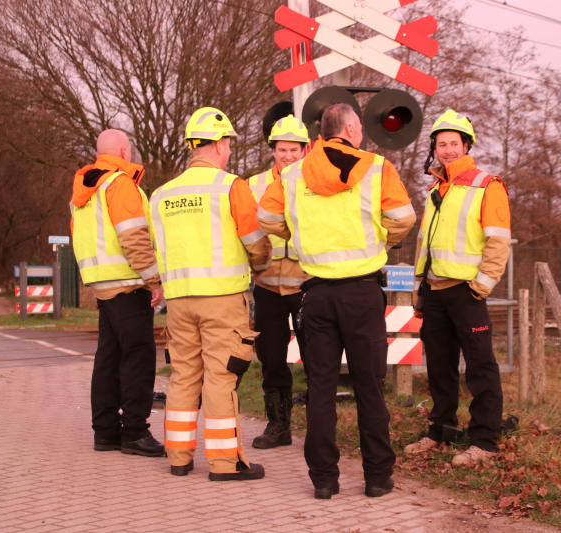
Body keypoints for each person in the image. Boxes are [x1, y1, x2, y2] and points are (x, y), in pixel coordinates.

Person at [257, 104, 416, 499]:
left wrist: (299, 236)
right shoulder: (377, 168)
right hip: (362, 292)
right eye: (360, 126)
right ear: (349, 128)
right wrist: (378, 241)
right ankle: (378, 478)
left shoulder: (293, 175)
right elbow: (404, 218)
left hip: (316, 293)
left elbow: (266, 217)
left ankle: (324, 480)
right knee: (369, 387)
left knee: (321, 388)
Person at [149, 107, 271, 480]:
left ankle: (179, 458)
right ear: (218, 144)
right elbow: (256, 243)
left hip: (179, 302)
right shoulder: (231, 187)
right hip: (222, 299)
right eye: (229, 144)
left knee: (184, 376)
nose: (230, 152)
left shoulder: (160, 196)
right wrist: (262, 262)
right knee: (221, 377)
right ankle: (224, 463)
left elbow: (156, 249)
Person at [407, 110, 511, 467]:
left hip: (467, 292)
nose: (447, 150)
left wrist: (481, 285)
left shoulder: (487, 185)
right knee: (439, 366)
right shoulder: (435, 189)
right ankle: (441, 430)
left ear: (467, 145)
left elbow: (499, 241)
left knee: (481, 367)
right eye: (441, 144)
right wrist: (420, 289)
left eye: (454, 143)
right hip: (435, 292)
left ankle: (484, 441)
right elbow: (425, 243)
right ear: (434, 149)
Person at [70, 129, 165, 457]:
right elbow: (134, 238)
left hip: (101, 283)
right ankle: (135, 432)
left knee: (108, 359)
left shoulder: (85, 188)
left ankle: (106, 432)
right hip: (127, 283)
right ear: (124, 151)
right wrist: (154, 280)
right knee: (139, 357)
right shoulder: (121, 184)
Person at [245, 115, 310, 450]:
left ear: (305, 149)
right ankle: (279, 426)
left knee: (317, 357)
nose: (287, 156)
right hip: (268, 284)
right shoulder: (253, 185)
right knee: (271, 357)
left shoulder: (315, 182)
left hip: (306, 283)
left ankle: (319, 426)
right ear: (273, 150)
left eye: (293, 150)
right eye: (282, 149)